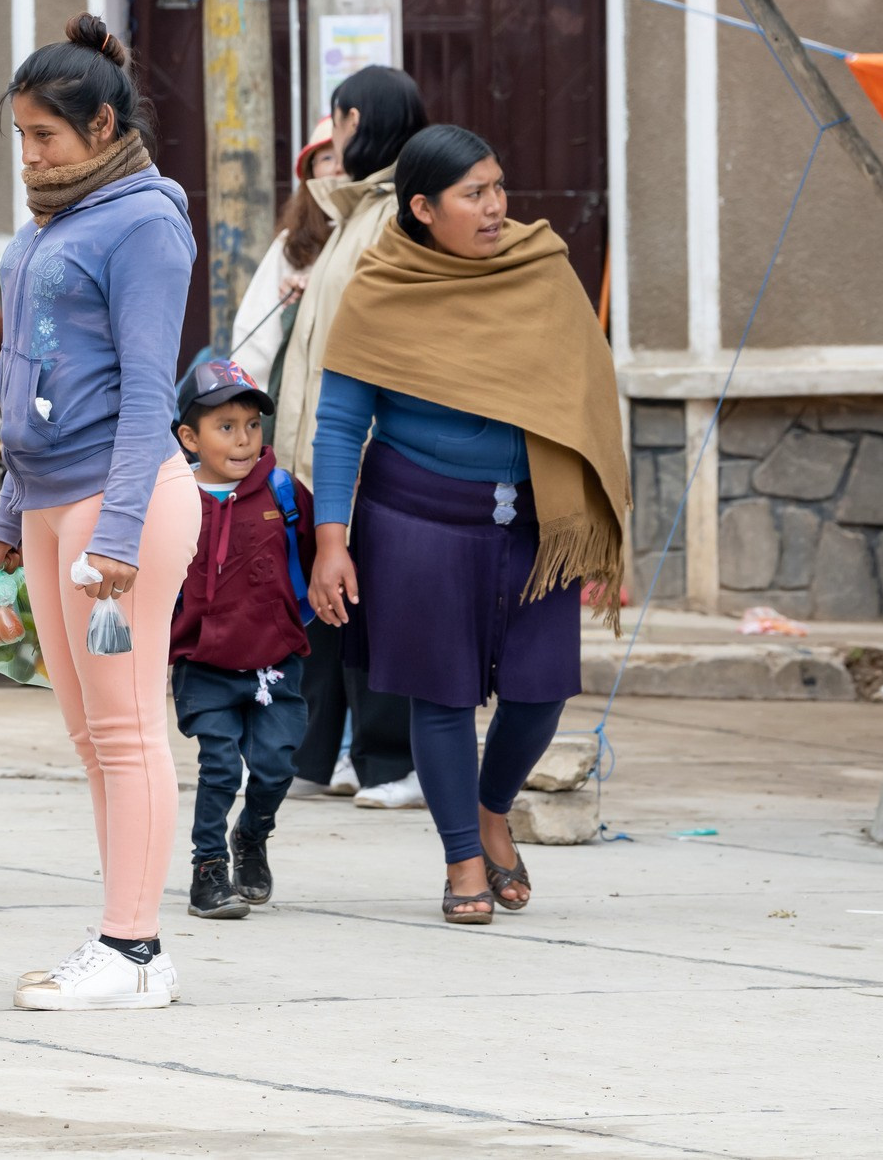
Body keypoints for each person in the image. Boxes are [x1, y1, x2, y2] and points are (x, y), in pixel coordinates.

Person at [305, 125, 629, 923]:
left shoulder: (540, 267)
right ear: (422, 208)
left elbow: (584, 396)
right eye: (472, 194)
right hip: (414, 517)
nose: (495, 207)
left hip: (534, 525)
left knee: (541, 691)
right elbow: (341, 425)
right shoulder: (382, 285)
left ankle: (493, 810)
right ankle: (461, 859)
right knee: (440, 695)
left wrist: (588, 515)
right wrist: (332, 541)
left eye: (497, 186)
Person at [0, 14, 199, 1013]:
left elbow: (151, 388)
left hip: (123, 506)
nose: (29, 156)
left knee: (125, 732)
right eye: (20, 137)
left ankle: (131, 946)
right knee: (87, 735)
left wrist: (112, 537)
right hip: (48, 503)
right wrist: (2, 521)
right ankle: (129, 943)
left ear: (102, 124)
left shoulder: (144, 221)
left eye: (45, 137)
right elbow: (24, 375)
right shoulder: (52, 222)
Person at [270, 64, 430, 809]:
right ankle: (318, 754)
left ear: (359, 121)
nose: (334, 136)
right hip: (320, 451)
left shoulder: (398, 214)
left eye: (338, 120)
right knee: (325, 608)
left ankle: (390, 762)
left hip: (370, 448)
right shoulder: (355, 213)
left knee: (376, 609)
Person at [168, 358, 315, 922]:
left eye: (253, 425)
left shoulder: (281, 490)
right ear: (189, 437)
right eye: (225, 427)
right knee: (221, 767)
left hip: (274, 659)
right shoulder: (173, 497)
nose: (244, 439)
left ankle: (250, 838)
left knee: (277, 766)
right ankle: (208, 869)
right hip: (202, 661)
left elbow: (312, 553)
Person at [228, 122, 341, 392]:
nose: (339, 167)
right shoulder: (292, 244)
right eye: (327, 157)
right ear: (310, 174)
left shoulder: (381, 229)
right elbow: (255, 338)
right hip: (300, 389)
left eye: (346, 155)